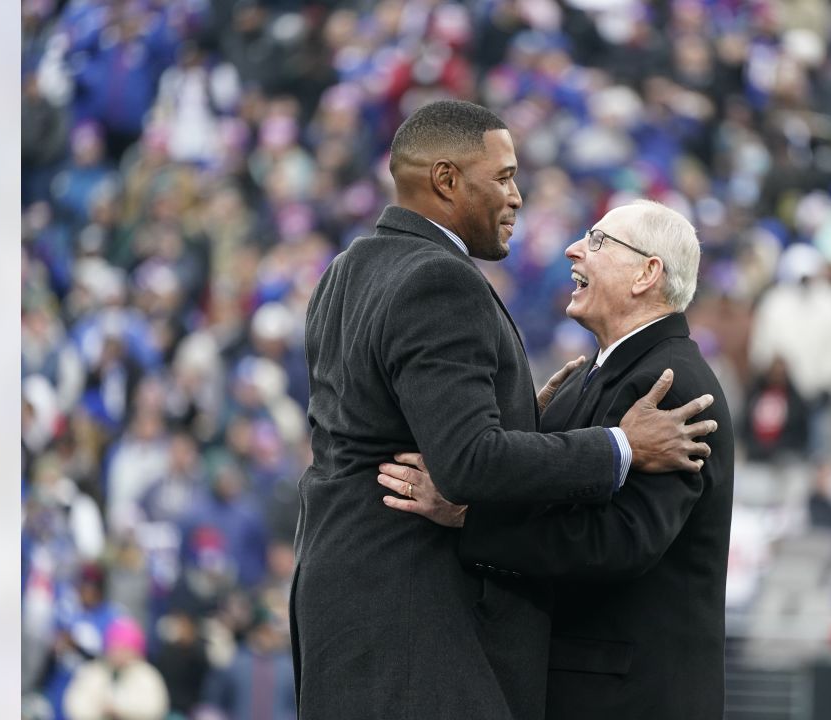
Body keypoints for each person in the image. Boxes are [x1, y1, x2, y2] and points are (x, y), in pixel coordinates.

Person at [291, 101, 718, 720]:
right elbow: (467, 463)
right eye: (504, 177)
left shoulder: (346, 270)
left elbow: (391, 415)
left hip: (343, 606)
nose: (517, 197)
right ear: (446, 180)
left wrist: (516, 412)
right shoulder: (439, 280)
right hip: (416, 624)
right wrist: (619, 446)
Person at [380, 200, 734, 719]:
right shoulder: (589, 376)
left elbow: (619, 542)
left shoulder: (671, 386)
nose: (573, 248)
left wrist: (468, 520)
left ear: (647, 273)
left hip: (631, 697)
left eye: (596, 241)